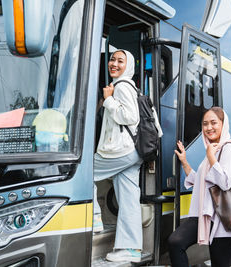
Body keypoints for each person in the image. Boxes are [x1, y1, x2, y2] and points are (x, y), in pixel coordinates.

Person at [168, 107, 231, 267]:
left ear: (223, 124)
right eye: (205, 124)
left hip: (223, 218)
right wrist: (185, 162)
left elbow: (224, 182)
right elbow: (204, 182)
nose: (209, 127)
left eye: (213, 123)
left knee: (219, 263)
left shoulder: (229, 148)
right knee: (176, 242)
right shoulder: (214, 149)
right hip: (206, 214)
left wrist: (210, 157)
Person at [93, 49, 143, 263]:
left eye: (120, 61)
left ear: (128, 65)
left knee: (82, 173)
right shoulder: (131, 87)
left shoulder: (122, 86)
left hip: (121, 150)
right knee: (129, 198)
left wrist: (108, 100)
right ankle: (130, 249)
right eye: (112, 59)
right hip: (134, 151)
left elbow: (130, 117)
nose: (114, 63)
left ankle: (93, 221)